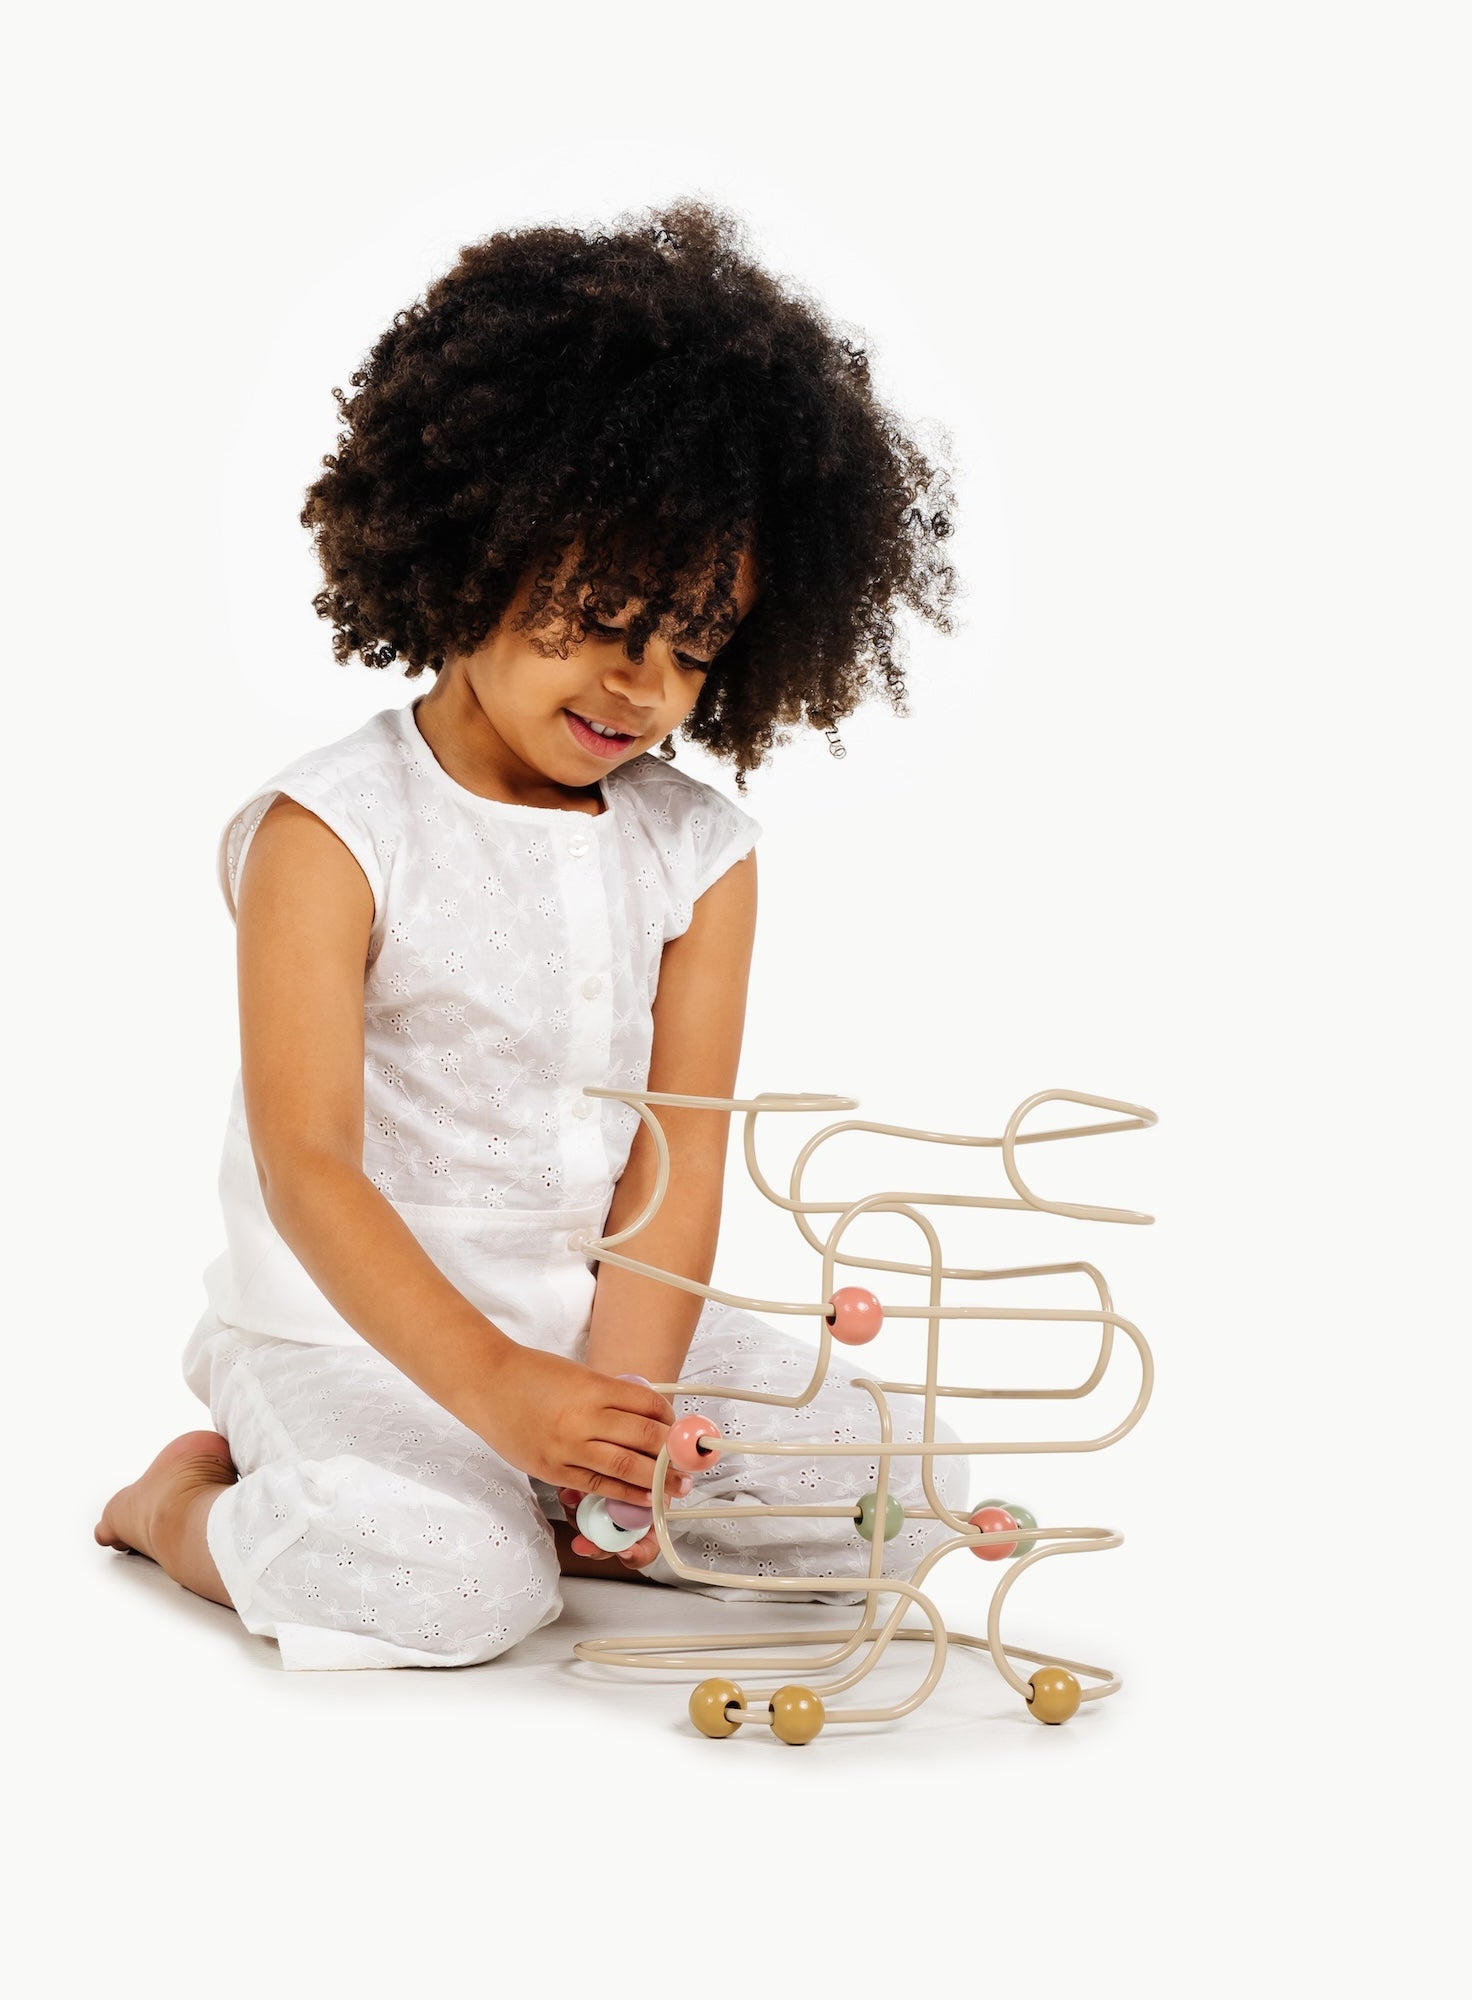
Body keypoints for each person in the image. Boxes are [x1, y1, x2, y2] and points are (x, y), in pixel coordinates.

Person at [97, 201, 963, 1668]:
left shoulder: (699, 854)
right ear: (476, 545)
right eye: (604, 618)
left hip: (593, 1331)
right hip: (354, 1333)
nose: (642, 684)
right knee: (450, 1596)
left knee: (903, 1489)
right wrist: (499, 1394)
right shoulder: (334, 830)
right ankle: (182, 1507)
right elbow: (309, 1167)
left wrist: (621, 1424)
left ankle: (559, 1515)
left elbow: (676, 1164)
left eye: (691, 648)